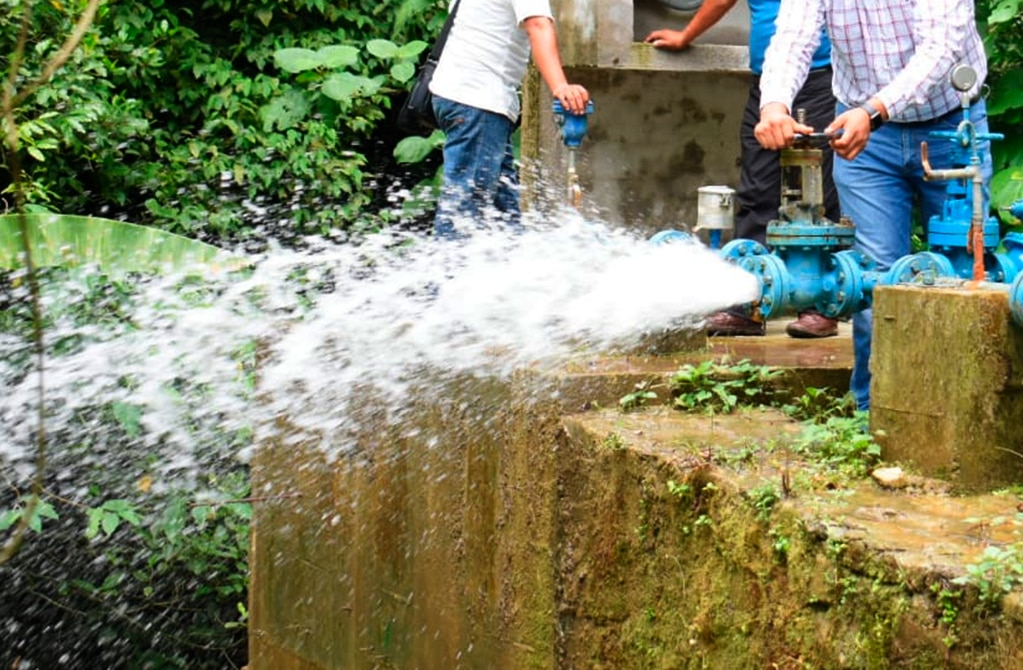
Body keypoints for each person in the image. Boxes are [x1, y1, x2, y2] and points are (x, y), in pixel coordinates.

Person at [755, 0, 991, 409]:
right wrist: (774, 104)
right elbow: (794, 35)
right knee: (872, 280)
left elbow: (940, 48)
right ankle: (875, 415)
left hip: (951, 124)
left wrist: (874, 110)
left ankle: (969, 410)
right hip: (862, 139)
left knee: (965, 272)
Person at [645, 1, 841, 339]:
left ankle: (822, 305)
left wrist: (686, 34)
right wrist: (685, 35)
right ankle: (747, 304)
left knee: (816, 191)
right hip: (766, 83)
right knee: (757, 191)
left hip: (819, 78)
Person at [429, 1, 590, 238]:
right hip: (479, 100)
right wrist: (560, 87)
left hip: (458, 96)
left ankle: (511, 258)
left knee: (503, 215)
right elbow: (538, 25)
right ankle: (446, 262)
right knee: (464, 215)